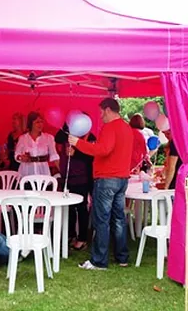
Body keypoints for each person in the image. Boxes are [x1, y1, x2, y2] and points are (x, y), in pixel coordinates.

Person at [68, 98, 133, 270]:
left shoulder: (109, 127)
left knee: (101, 220)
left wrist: (78, 143)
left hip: (107, 179)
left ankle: (99, 261)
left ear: (108, 110)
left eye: (101, 112)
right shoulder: (126, 128)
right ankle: (122, 257)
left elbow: (103, 150)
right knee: (118, 219)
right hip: (122, 178)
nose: (100, 116)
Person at [55, 120, 96, 251]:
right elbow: (58, 137)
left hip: (83, 178)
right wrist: (66, 124)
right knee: (70, 209)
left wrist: (76, 153)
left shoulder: (91, 138)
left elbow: (92, 156)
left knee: (82, 209)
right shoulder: (70, 136)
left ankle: (82, 238)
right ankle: (70, 234)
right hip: (68, 177)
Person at [15, 111, 60, 177]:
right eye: (37, 122)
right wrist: (21, 157)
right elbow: (17, 155)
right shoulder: (23, 138)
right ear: (31, 124)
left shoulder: (48, 138)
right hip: (26, 172)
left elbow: (54, 156)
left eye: (41, 122)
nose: (40, 124)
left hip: (42, 172)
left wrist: (63, 172)